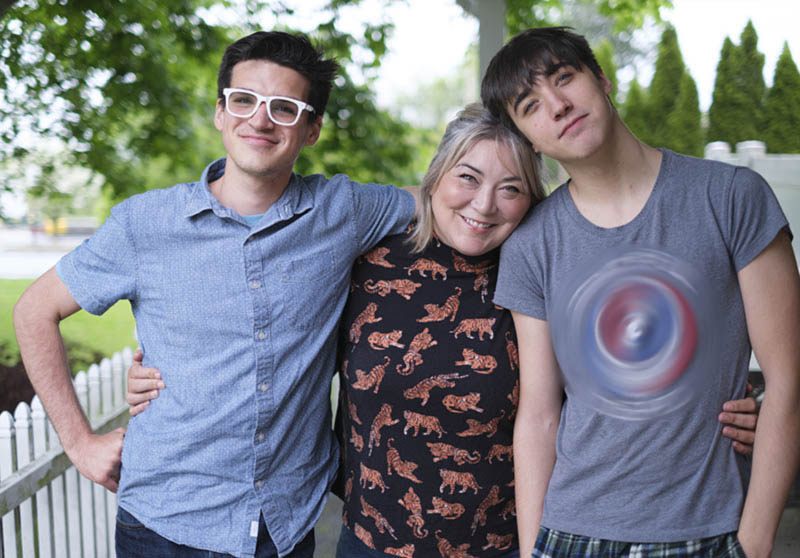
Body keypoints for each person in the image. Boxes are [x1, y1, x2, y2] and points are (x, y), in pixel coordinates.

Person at [128, 104, 760, 558]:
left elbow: (633, 363)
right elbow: (268, 328)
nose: (484, 205)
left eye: (510, 188)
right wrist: (159, 366)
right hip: (369, 540)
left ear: (532, 199)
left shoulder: (548, 270)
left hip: (502, 542)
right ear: (436, 177)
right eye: (467, 177)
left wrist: (726, 405)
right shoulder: (368, 260)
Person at [13, 30, 415, 558]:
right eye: (244, 100)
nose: (261, 119)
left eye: (286, 107)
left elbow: (462, 202)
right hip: (163, 524)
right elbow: (33, 311)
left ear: (312, 128)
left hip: (285, 524)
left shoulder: (343, 211)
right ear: (221, 113)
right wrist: (80, 444)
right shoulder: (144, 223)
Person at [481, 26, 800, 558]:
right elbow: (538, 414)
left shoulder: (731, 198)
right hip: (571, 533)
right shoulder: (532, 244)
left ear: (602, 80)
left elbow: (789, 378)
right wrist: (533, 549)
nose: (558, 106)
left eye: (565, 78)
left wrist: (754, 542)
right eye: (531, 105)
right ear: (527, 138)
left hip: (710, 533)